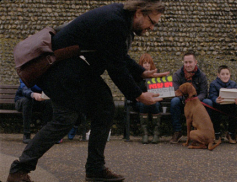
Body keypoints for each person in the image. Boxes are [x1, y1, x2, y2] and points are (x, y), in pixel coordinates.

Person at [7, 1, 167, 182]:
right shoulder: (114, 21)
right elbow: (115, 67)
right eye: (152, 22)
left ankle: (95, 169)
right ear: (139, 12)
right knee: (65, 118)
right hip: (59, 69)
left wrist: (141, 72)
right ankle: (19, 170)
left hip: (73, 68)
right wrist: (138, 95)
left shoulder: (120, 19)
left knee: (104, 107)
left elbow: (116, 54)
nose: (152, 28)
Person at [169, 51, 213, 144]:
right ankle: (177, 131)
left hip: (197, 103)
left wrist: (195, 100)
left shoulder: (202, 76)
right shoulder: (177, 75)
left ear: (195, 62)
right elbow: (177, 91)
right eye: (186, 62)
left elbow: (203, 92)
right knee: (174, 101)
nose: (188, 65)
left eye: (190, 62)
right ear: (183, 63)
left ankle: (206, 132)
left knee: (208, 103)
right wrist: (187, 101)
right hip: (183, 103)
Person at [133, 53, 162, 144]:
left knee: (155, 104)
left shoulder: (156, 76)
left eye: (149, 63)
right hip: (140, 102)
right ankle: (144, 133)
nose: (147, 65)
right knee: (143, 104)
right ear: (141, 65)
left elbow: (160, 93)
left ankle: (156, 133)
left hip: (154, 101)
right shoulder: (136, 77)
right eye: (144, 63)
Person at [208, 65, 237, 144]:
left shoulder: (233, 84)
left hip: (229, 106)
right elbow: (211, 95)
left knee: (234, 110)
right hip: (218, 106)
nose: (225, 76)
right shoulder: (214, 84)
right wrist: (216, 99)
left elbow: (236, 96)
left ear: (230, 75)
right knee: (215, 111)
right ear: (218, 75)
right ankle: (217, 134)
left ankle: (231, 133)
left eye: (227, 74)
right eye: (223, 74)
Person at [14, 79, 53, 144]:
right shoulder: (26, 74)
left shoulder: (45, 76)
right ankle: (26, 134)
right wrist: (33, 94)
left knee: (49, 102)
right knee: (27, 101)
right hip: (22, 101)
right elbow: (24, 89)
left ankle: (44, 134)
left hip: (37, 102)